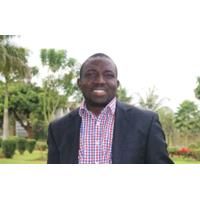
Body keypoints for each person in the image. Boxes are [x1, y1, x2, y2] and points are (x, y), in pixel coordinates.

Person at [47, 53, 173, 164]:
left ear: (117, 84)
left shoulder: (146, 123)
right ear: (79, 83)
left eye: (108, 75)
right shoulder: (58, 129)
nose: (100, 81)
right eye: (91, 75)